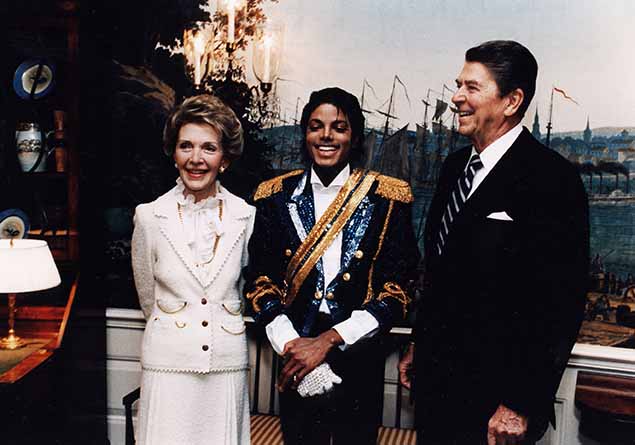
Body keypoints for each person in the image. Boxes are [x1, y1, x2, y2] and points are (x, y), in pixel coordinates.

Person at [398, 40, 589, 445]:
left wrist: (519, 403)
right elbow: (440, 271)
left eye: (472, 87)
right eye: (458, 84)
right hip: (435, 387)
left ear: (512, 100)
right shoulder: (454, 168)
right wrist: (419, 342)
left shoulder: (552, 180)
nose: (456, 97)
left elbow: (561, 305)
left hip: (498, 409)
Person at [245, 87, 420, 444]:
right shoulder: (275, 196)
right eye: (315, 126)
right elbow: (260, 282)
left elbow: (397, 291)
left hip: (357, 353)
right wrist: (293, 346)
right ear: (305, 134)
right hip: (294, 353)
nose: (326, 136)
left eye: (338, 127)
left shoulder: (387, 198)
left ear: (354, 137)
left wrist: (328, 340)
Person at [131, 94, 255, 445]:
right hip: (168, 363)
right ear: (174, 154)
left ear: (225, 158)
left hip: (225, 365)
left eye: (208, 148)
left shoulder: (246, 216)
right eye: (186, 146)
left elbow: (243, 287)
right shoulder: (149, 216)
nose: (196, 159)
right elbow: (147, 298)